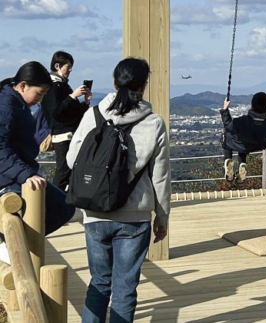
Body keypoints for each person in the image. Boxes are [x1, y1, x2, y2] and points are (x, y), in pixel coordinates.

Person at [67, 58, 170, 323]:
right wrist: (162, 217)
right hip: (134, 216)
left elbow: (72, 160)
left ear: (114, 82)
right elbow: (160, 176)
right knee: (125, 289)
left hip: (95, 213)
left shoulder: (94, 115)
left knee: (99, 283)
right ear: (143, 87)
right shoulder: (154, 122)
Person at [0, 61, 76, 263]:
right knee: (59, 207)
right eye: (40, 93)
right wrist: (25, 175)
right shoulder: (6, 106)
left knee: (64, 207)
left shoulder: (17, 103)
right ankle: (11, 245)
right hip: (8, 177)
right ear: (23, 86)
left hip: (17, 171)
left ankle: (14, 244)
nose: (40, 99)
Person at [41, 50, 92, 189]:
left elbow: (72, 113)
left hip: (69, 133)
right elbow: (56, 113)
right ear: (57, 66)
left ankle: (60, 202)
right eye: (67, 67)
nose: (69, 70)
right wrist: (72, 96)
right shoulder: (52, 86)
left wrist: (85, 103)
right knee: (63, 171)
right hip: (62, 135)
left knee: (68, 170)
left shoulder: (63, 85)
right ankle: (53, 203)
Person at [221, 92, 266, 182]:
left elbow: (228, 126)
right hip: (256, 145)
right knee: (244, 141)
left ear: (252, 105)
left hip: (236, 143)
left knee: (227, 134)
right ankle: (242, 163)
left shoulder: (241, 121)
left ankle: (228, 159)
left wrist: (225, 110)